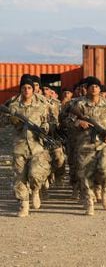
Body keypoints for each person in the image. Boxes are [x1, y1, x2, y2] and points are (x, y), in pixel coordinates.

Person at [1, 76, 51, 217]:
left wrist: (43, 129)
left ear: (33, 89)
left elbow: (47, 122)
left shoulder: (42, 104)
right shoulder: (13, 106)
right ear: (20, 89)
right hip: (20, 146)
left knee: (35, 174)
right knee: (20, 176)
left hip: (37, 146)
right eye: (24, 88)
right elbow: (3, 122)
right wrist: (12, 118)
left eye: (29, 87)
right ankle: (24, 204)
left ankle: (35, 191)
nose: (27, 90)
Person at [70, 77, 106, 215]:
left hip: (102, 143)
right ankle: (89, 201)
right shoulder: (79, 104)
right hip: (84, 144)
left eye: (96, 86)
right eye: (91, 86)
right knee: (85, 174)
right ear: (87, 88)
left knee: (105, 170)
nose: (94, 88)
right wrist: (78, 123)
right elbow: (68, 119)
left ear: (99, 88)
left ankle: (105, 189)